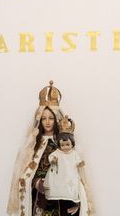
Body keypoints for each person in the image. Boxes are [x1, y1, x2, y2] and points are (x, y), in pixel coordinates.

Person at [7, 81, 93, 216]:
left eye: (51, 118)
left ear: (56, 119)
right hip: (40, 199)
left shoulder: (64, 145)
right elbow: (25, 173)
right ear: (39, 121)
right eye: (44, 118)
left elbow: (74, 173)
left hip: (63, 200)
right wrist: (36, 183)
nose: (47, 122)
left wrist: (77, 201)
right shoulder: (34, 144)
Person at [45, 132, 87, 215]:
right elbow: (51, 157)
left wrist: (80, 163)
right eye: (62, 145)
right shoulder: (57, 152)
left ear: (72, 144)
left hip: (70, 175)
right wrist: (53, 160)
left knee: (71, 187)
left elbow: (78, 160)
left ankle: (71, 199)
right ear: (59, 146)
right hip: (60, 175)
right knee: (58, 185)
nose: (65, 147)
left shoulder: (74, 153)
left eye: (67, 144)